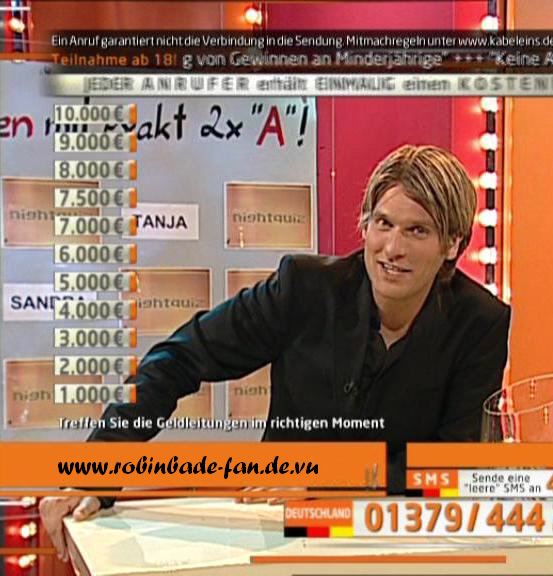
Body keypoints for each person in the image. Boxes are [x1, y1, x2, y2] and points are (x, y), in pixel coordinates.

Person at [40, 144, 511, 561]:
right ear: (366, 225)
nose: (392, 248)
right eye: (383, 224)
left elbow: (456, 460)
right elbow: (178, 359)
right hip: (280, 535)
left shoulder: (480, 322)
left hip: (400, 540)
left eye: (417, 231)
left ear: (452, 244)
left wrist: (330, 481)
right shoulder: (306, 289)